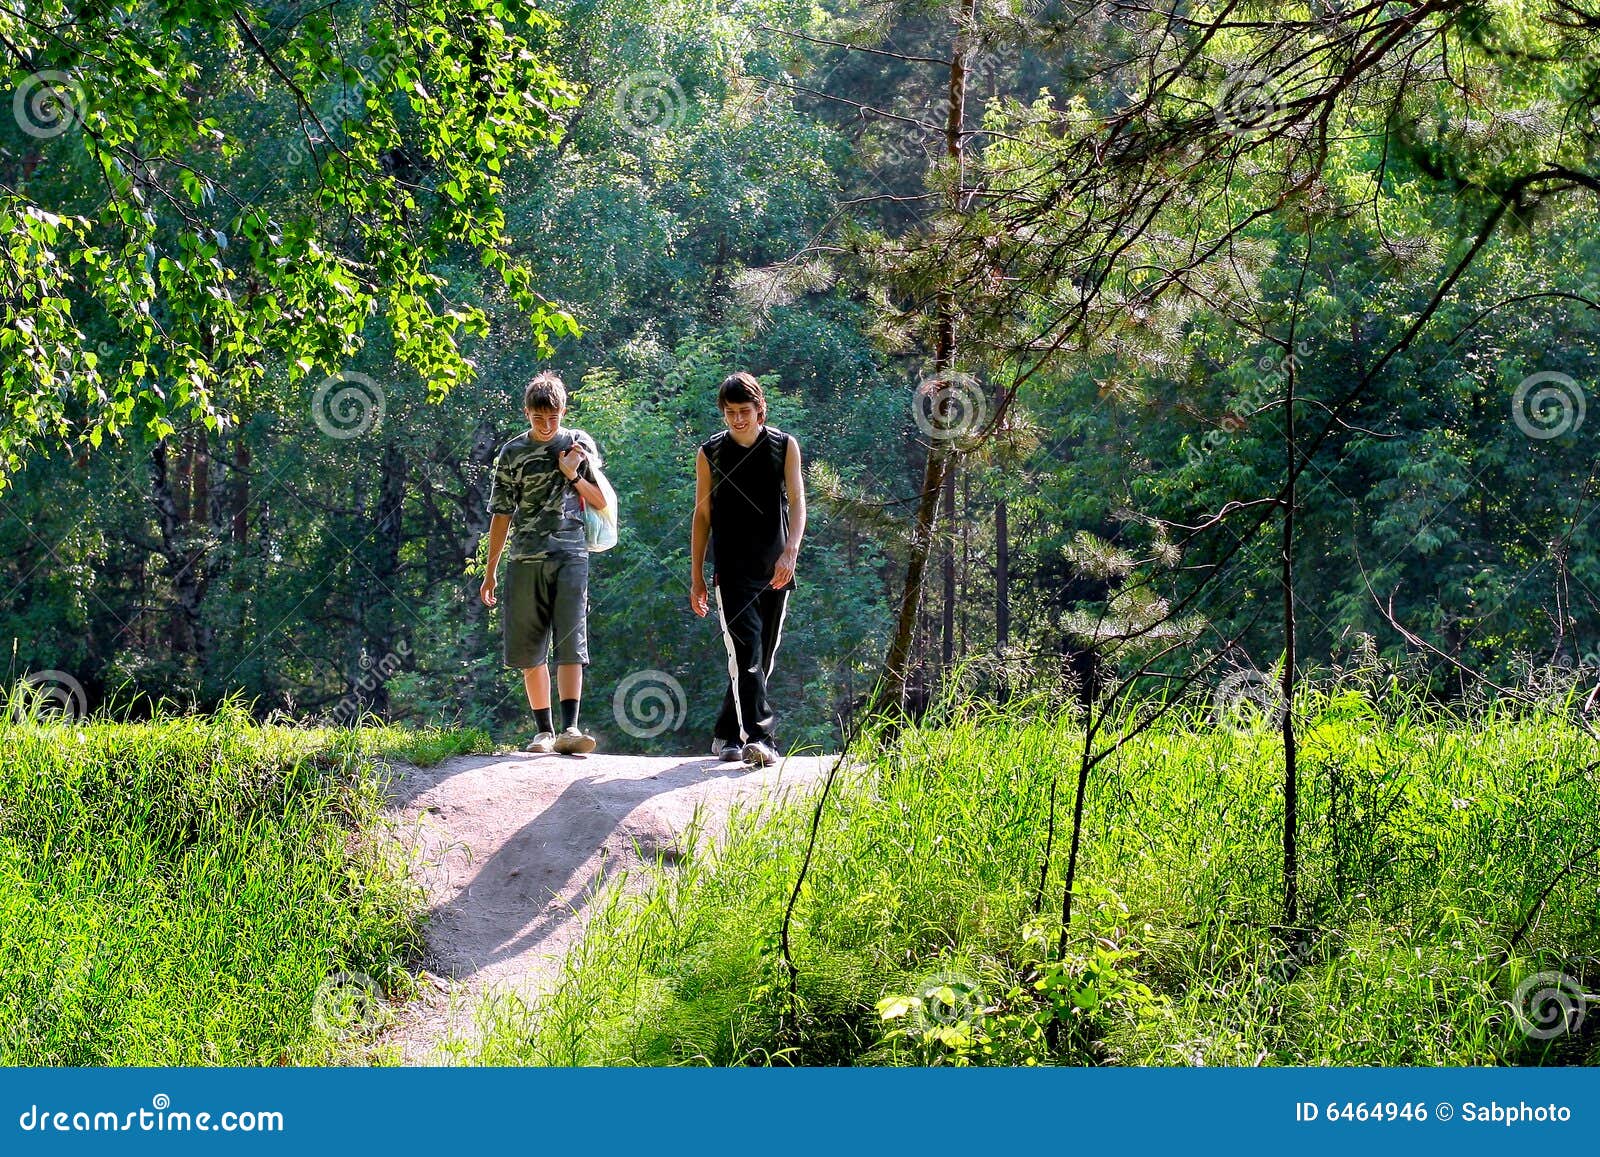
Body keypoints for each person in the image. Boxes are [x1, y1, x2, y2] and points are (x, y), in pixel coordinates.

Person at [481, 372, 607, 755]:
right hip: (525, 556)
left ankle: (571, 728)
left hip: (571, 554)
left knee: (571, 639)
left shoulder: (577, 444)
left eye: (553, 417)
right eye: (539, 418)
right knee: (530, 645)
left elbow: (600, 500)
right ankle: (543, 732)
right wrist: (490, 572)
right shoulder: (512, 452)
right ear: (527, 413)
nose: (547, 425)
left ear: (563, 411)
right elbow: (501, 514)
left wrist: (572, 475)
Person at [690, 371, 806, 767]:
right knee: (745, 653)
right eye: (730, 412)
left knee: (761, 657)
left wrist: (790, 551)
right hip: (732, 572)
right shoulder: (711, 453)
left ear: (760, 410)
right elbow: (701, 516)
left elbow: (797, 501)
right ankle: (760, 737)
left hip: (775, 569)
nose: (738, 419)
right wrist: (697, 577)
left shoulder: (783, 447)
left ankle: (726, 731)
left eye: (745, 411)